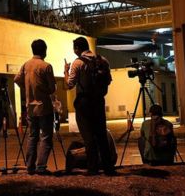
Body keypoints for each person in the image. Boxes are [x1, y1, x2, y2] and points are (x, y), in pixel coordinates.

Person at [63, 37, 116, 176]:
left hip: (84, 102)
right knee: (101, 135)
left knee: (88, 136)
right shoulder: (102, 60)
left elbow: (69, 85)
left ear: (77, 49)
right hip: (98, 101)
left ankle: (93, 168)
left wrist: (66, 71)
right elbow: (109, 81)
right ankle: (108, 167)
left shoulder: (78, 63)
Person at [14, 39, 57, 175]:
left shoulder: (26, 65)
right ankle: (41, 166)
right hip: (44, 107)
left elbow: (16, 79)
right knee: (45, 137)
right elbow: (51, 88)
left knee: (32, 137)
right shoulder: (46, 66)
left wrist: (26, 88)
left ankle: (30, 167)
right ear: (44, 50)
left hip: (30, 108)